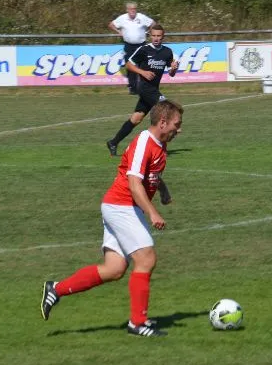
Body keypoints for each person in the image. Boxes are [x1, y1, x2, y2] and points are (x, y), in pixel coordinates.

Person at [41, 100, 184, 337]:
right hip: (121, 206)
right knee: (146, 259)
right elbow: (134, 183)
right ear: (162, 122)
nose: (179, 129)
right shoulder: (144, 143)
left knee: (114, 269)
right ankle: (137, 323)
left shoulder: (160, 144)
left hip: (123, 207)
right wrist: (152, 212)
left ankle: (56, 289)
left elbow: (150, 173)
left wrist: (163, 190)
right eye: (176, 124)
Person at [106, 23, 179, 157]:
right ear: (150, 36)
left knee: (136, 119)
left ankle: (113, 142)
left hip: (153, 89)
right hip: (144, 87)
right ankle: (160, 147)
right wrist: (142, 72)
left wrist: (174, 68)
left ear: (163, 37)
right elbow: (128, 65)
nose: (156, 38)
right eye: (154, 35)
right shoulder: (144, 50)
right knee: (166, 108)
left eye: (159, 36)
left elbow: (171, 73)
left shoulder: (167, 52)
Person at [108, 1, 155, 94]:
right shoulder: (122, 18)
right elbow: (111, 25)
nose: (133, 11)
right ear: (127, 10)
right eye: (131, 9)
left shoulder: (141, 17)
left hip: (141, 45)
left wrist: (148, 32)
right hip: (129, 45)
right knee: (130, 66)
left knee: (143, 65)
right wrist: (119, 32)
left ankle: (145, 86)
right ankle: (133, 88)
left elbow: (153, 23)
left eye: (134, 9)